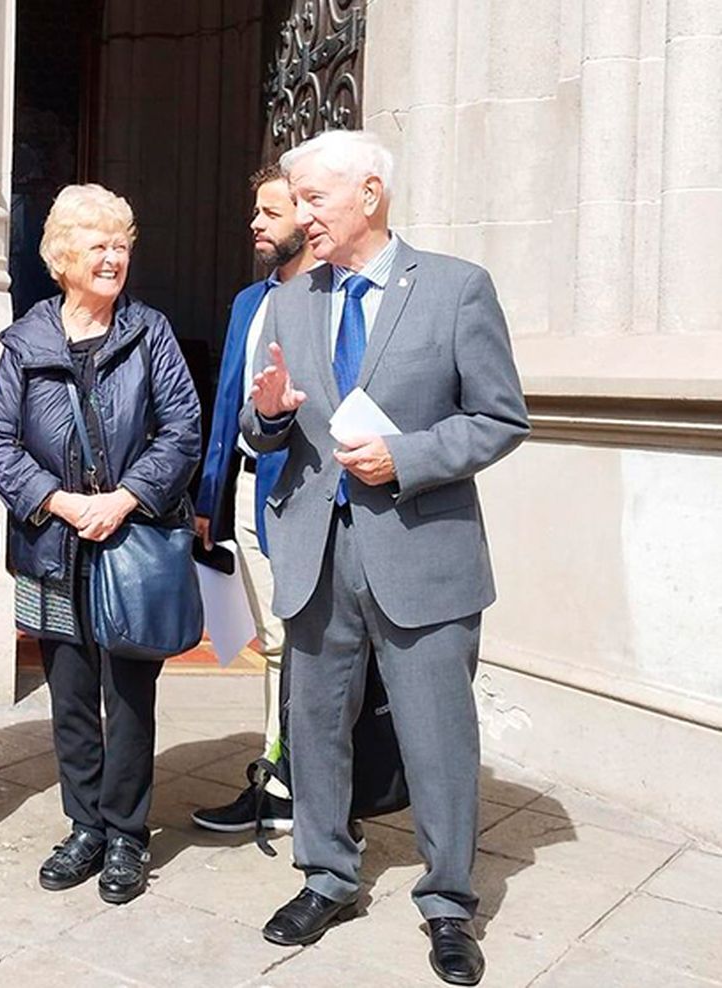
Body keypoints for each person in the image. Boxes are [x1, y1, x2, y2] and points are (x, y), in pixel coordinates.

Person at [243, 129, 528, 986]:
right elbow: (271, 428)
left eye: (315, 200)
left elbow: (500, 418)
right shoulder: (290, 298)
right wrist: (265, 416)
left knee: (437, 735)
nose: (303, 217)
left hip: (420, 553)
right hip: (315, 551)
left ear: (369, 194)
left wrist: (408, 460)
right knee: (316, 727)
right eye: (296, 202)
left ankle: (448, 904)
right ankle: (327, 875)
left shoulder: (455, 289)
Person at [0, 184, 201, 904]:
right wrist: (62, 501)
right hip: (54, 543)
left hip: (129, 540)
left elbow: (182, 429)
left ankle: (128, 834)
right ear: (63, 258)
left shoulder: (150, 332)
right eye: (98, 246)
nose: (113, 259)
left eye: (121, 245)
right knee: (70, 693)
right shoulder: (28, 339)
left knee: (129, 695)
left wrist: (124, 499)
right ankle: (85, 827)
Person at [191, 163, 316, 835]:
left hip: (297, 495)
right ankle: (280, 776)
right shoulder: (249, 300)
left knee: (294, 641)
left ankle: (291, 784)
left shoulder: (331, 296)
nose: (255, 224)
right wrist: (210, 498)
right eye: (257, 212)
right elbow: (224, 408)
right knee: (267, 641)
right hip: (242, 486)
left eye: (270, 212)